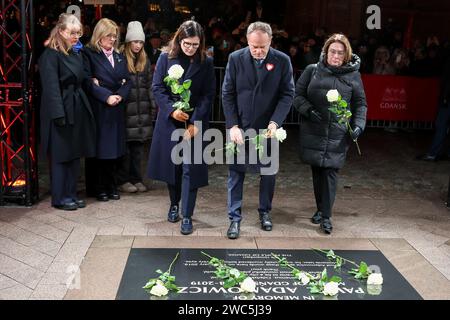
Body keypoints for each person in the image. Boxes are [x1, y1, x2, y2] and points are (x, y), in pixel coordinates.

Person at [222, 21, 295, 239]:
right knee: (236, 173)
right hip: (241, 127)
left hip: (268, 129)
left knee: (268, 174)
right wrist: (232, 125)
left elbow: (287, 94)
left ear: (271, 41)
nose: (258, 51)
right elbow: (227, 94)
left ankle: (265, 212)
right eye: (254, 46)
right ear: (247, 41)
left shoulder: (282, 61)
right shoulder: (235, 59)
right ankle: (234, 218)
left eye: (262, 46)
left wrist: (276, 122)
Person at [293, 33, 367, 234]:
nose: (336, 56)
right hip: (314, 129)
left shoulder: (353, 76)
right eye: (332, 51)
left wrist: (358, 126)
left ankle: (326, 216)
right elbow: (297, 95)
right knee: (318, 172)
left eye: (340, 53)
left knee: (330, 173)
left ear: (346, 55)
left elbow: (360, 104)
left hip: (338, 133)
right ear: (326, 52)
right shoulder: (312, 71)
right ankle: (320, 208)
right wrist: (308, 109)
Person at [147, 20, 215, 235]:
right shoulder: (165, 57)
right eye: (187, 43)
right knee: (173, 167)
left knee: (190, 168)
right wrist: (170, 110)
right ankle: (174, 204)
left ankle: (187, 214)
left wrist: (196, 121)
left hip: (194, 121)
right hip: (170, 121)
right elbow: (157, 87)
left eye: (195, 45)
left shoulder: (206, 62)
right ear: (179, 39)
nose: (191, 48)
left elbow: (208, 94)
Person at [39, 13, 96, 210]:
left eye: (78, 33)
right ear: (61, 31)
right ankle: (60, 197)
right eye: (72, 33)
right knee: (61, 155)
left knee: (73, 154)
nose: (76, 36)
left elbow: (80, 78)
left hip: (76, 106)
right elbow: (51, 88)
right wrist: (58, 115)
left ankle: (71, 194)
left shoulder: (73, 53)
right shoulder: (50, 55)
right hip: (61, 109)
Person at [83, 18, 132, 201]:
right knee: (99, 151)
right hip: (100, 108)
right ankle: (98, 188)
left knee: (115, 151)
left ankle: (112, 186)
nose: (112, 39)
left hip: (116, 108)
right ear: (99, 36)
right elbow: (88, 81)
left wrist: (119, 94)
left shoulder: (119, 56)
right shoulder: (89, 54)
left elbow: (127, 80)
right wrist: (106, 95)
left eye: (114, 36)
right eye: (109, 35)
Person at [116, 21, 154, 193]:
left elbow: (150, 86)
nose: (138, 45)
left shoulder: (145, 61)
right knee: (125, 149)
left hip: (141, 110)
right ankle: (123, 180)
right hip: (126, 110)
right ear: (128, 42)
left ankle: (136, 178)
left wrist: (152, 107)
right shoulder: (120, 58)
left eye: (140, 42)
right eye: (135, 41)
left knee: (138, 149)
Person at [417, 56, 450, 161]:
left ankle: (433, 153)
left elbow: (448, 80)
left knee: (441, 124)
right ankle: (444, 152)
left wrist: (445, 97)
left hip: (448, 100)